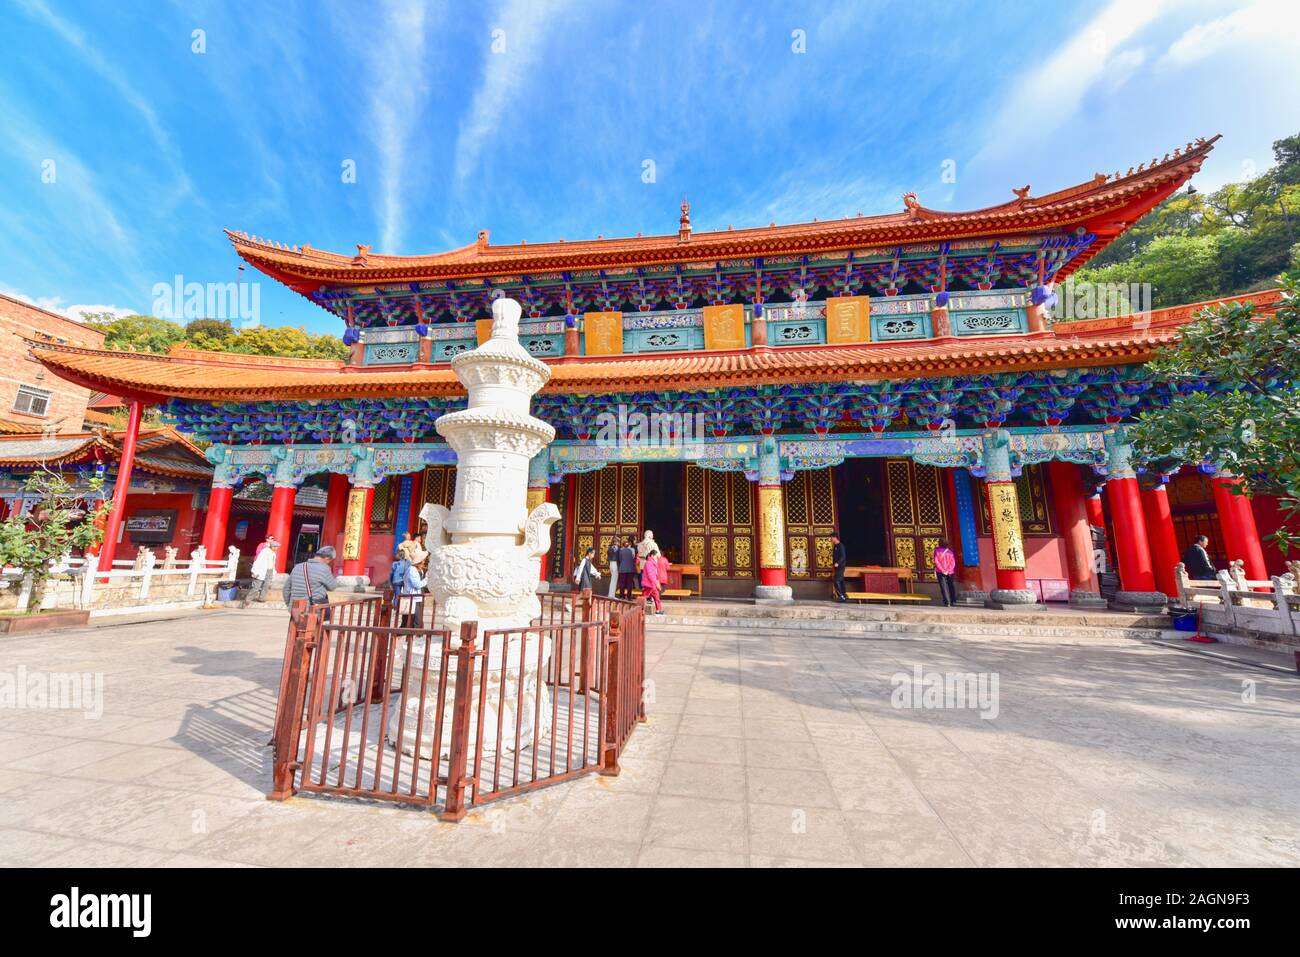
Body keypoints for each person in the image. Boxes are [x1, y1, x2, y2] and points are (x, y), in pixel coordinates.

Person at [283, 545, 339, 612]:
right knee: (313, 622)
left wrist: (289, 604)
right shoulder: (324, 569)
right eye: (330, 560)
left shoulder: (297, 567)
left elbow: (286, 589)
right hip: (314, 608)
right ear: (327, 558)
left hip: (295, 608)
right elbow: (332, 587)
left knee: (296, 622)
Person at [391, 554, 426, 627]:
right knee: (413, 618)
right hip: (412, 596)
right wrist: (427, 579)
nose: (423, 564)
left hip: (416, 596)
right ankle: (412, 633)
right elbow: (417, 584)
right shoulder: (412, 570)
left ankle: (411, 632)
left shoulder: (417, 570)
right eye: (422, 562)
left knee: (413, 617)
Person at [247, 536, 278, 604]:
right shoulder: (265, 551)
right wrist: (255, 571)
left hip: (269, 570)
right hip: (261, 570)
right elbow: (258, 561)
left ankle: (262, 598)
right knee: (256, 586)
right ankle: (248, 600)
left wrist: (274, 571)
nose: (277, 548)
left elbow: (272, 563)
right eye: (276, 546)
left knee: (266, 585)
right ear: (272, 547)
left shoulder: (273, 553)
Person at [933, 539, 958, 607]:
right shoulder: (950, 552)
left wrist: (942, 570)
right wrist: (948, 570)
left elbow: (936, 561)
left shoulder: (937, 551)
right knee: (951, 586)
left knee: (943, 587)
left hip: (940, 571)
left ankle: (947, 602)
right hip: (950, 572)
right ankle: (953, 600)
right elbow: (953, 563)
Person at [641, 547, 664, 615]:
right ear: (652, 555)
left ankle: (658, 610)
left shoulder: (652, 562)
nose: (657, 558)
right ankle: (639, 608)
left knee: (655, 597)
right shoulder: (649, 563)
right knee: (644, 597)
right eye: (656, 556)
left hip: (651, 584)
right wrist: (655, 582)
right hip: (650, 584)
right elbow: (650, 574)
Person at [831, 533, 848, 602]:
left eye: (831, 538)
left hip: (840, 566)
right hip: (837, 567)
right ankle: (843, 595)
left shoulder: (841, 546)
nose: (831, 539)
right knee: (840, 580)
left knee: (836, 580)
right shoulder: (835, 546)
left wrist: (838, 563)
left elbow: (843, 556)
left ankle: (841, 596)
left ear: (835, 538)